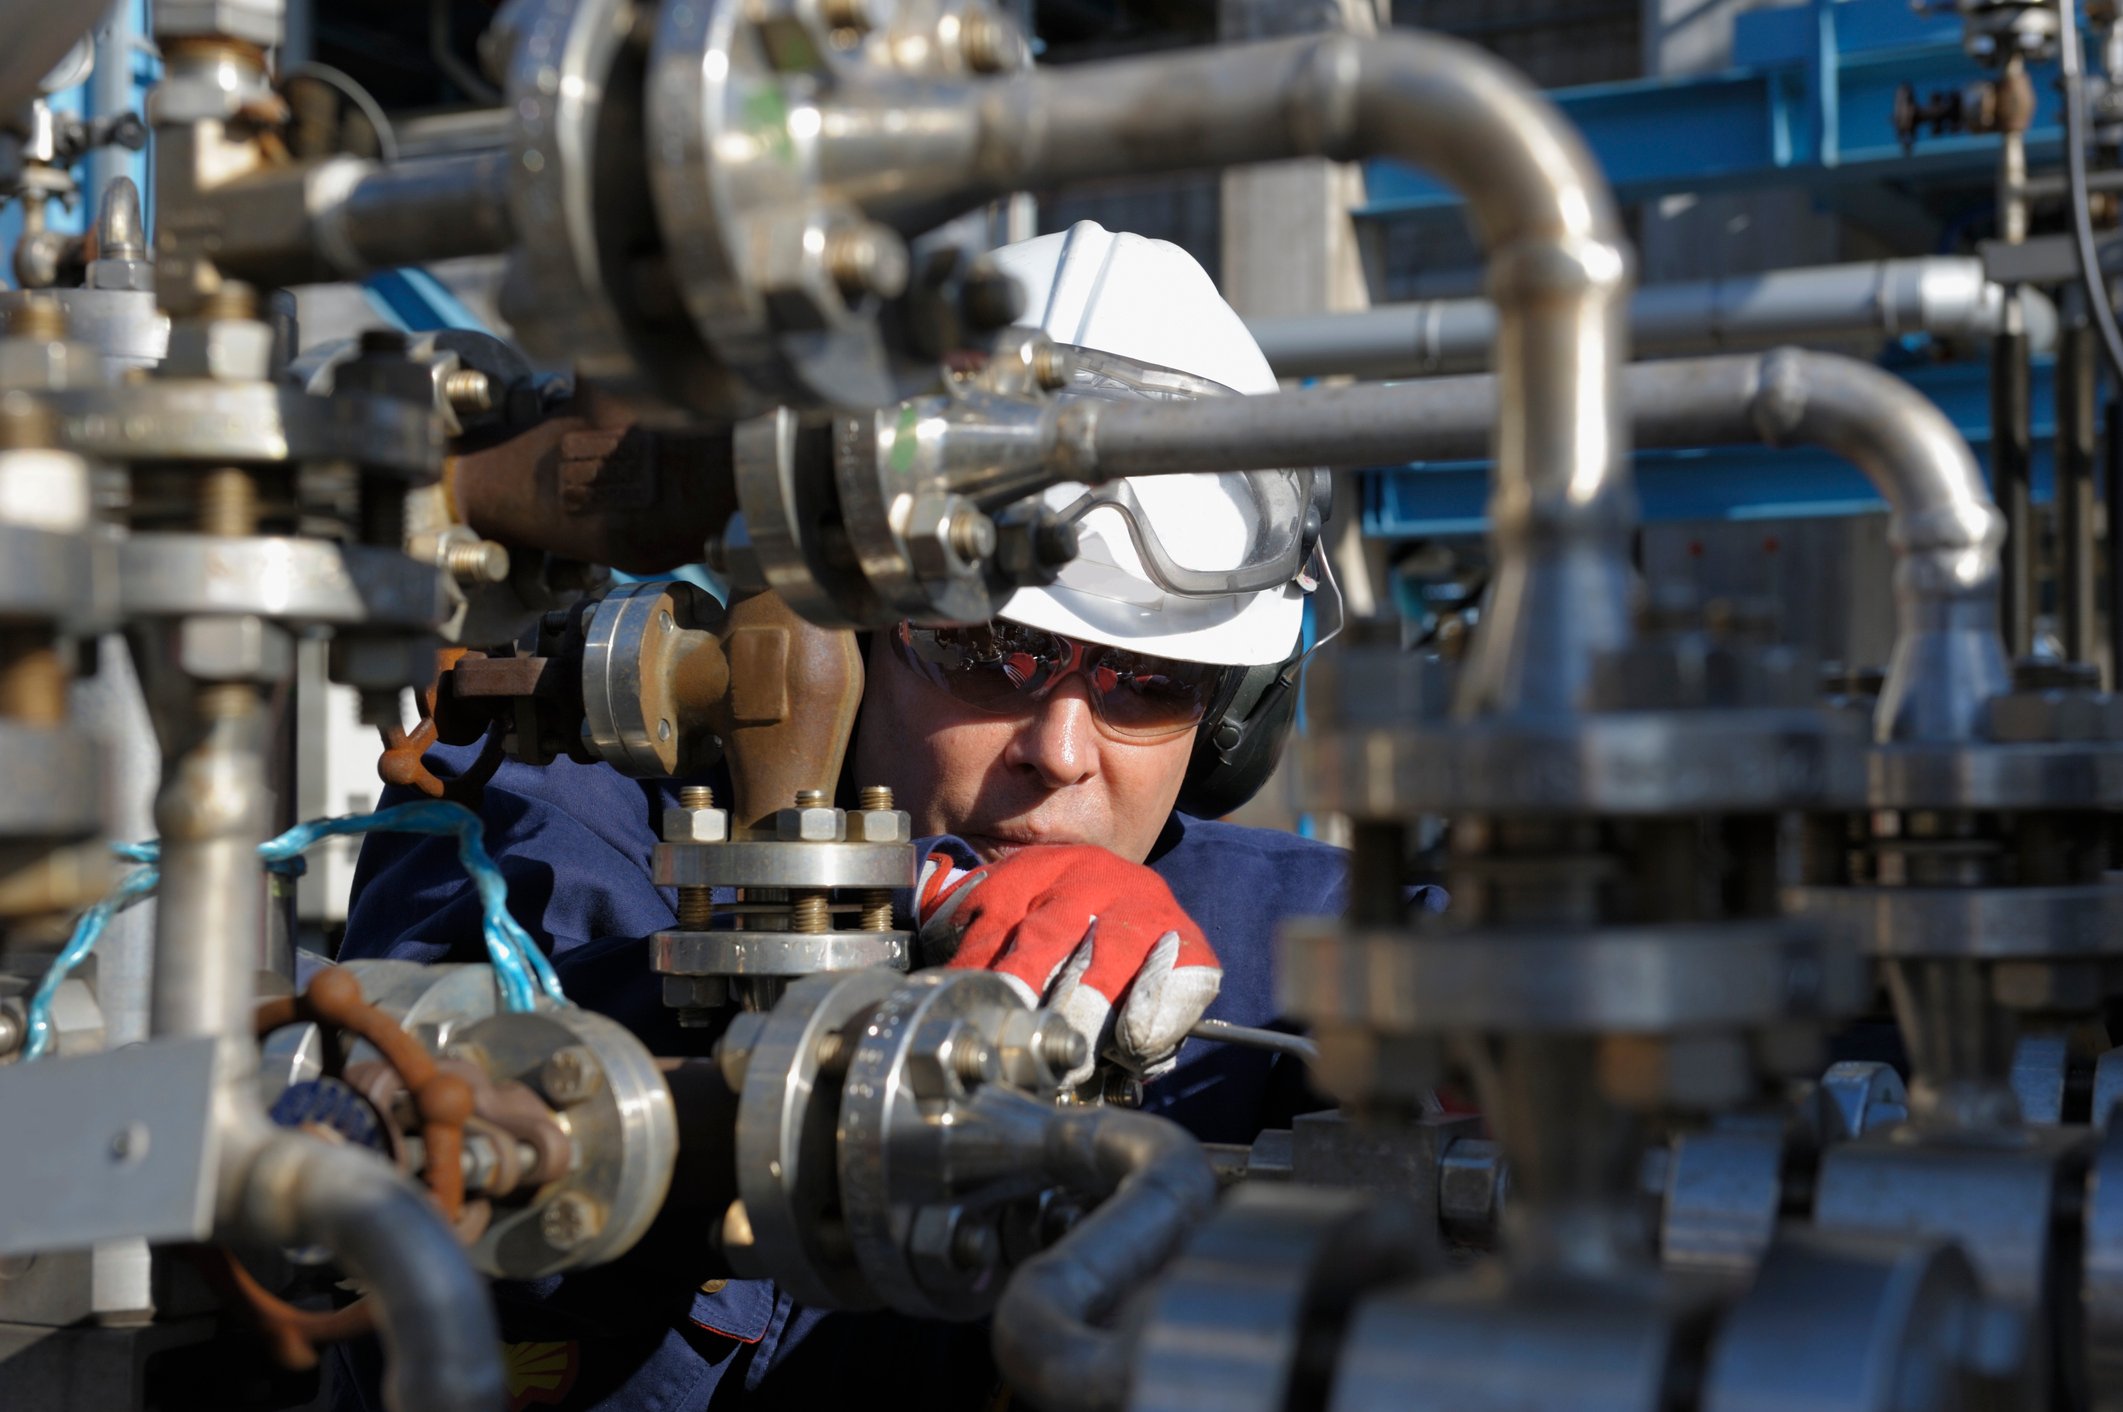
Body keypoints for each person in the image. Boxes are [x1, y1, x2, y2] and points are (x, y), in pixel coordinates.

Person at [332, 221, 1430, 1411]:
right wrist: (889, 952)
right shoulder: (554, 832)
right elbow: (392, 1125)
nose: (1060, 751)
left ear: (1235, 718)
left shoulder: (1276, 935)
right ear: (846, 633)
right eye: (986, 652)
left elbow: (1522, 1030)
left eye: (1146, 684)